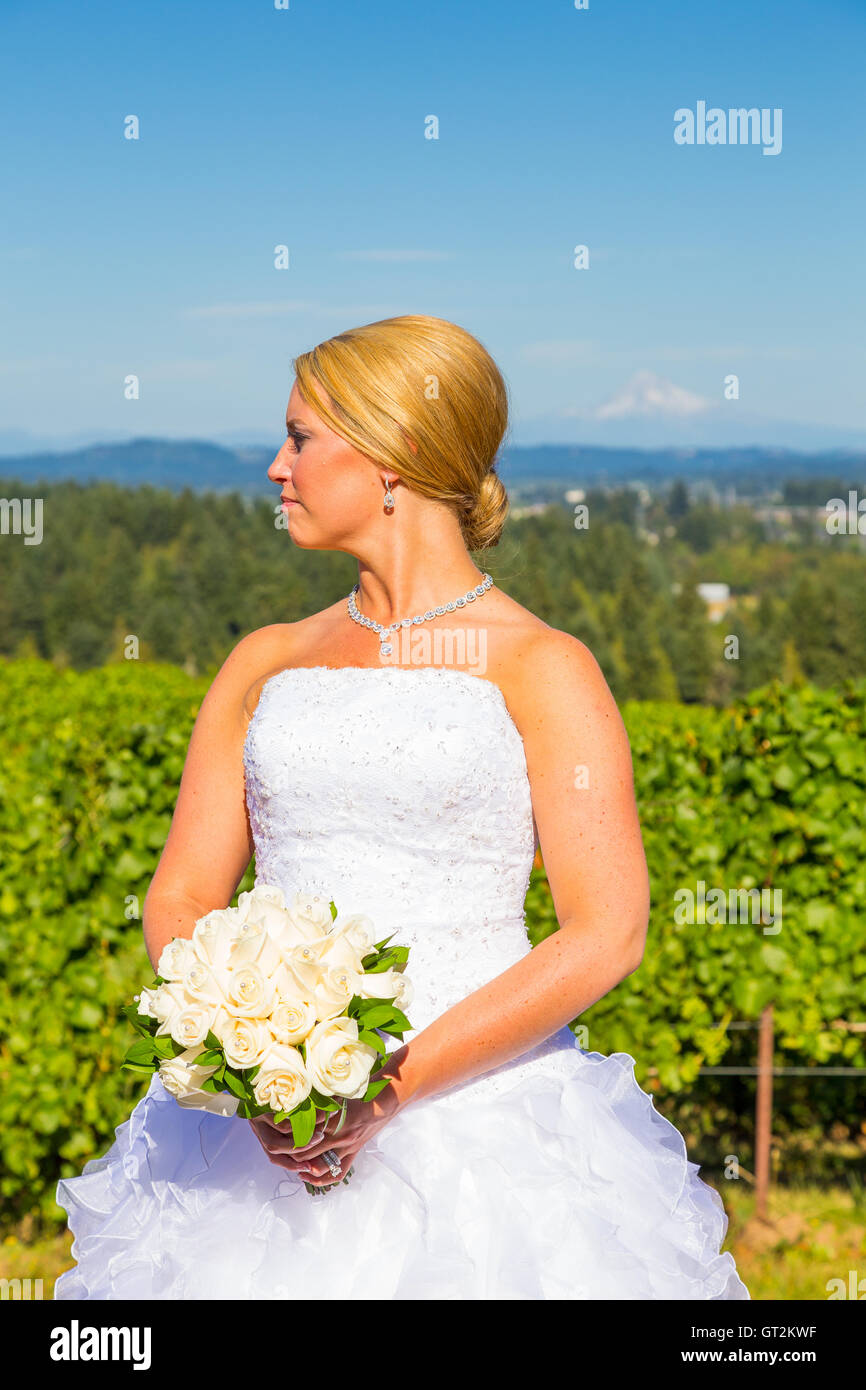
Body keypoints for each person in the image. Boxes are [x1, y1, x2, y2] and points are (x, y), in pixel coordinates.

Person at [55, 314, 749, 1300]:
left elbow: (605, 931)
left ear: (395, 456)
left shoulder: (541, 667)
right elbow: (179, 897)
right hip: (251, 1145)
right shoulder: (263, 660)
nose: (271, 466)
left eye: (299, 437)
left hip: (492, 1134)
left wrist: (382, 1088)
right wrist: (253, 1067)